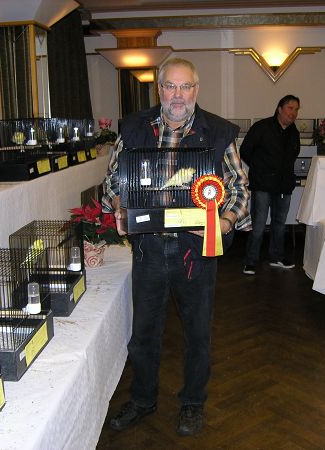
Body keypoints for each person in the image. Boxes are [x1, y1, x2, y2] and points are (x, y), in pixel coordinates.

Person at [102, 57, 250, 437]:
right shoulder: (133, 128)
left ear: (196, 90)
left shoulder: (219, 133)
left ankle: (193, 403)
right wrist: (119, 204)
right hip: (148, 251)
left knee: (198, 335)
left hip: (195, 253)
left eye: (186, 86)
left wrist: (223, 222)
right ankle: (142, 399)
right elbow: (113, 180)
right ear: (160, 89)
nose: (178, 95)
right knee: (143, 334)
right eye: (171, 86)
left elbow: (239, 188)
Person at [240, 95, 301, 276]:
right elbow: (245, 151)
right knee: (258, 225)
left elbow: (294, 154)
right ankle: (251, 261)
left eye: (296, 109)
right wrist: (260, 169)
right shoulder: (261, 127)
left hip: (284, 185)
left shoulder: (294, 132)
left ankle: (277, 257)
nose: (293, 113)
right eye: (290, 108)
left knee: (279, 224)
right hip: (262, 184)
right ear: (280, 109)